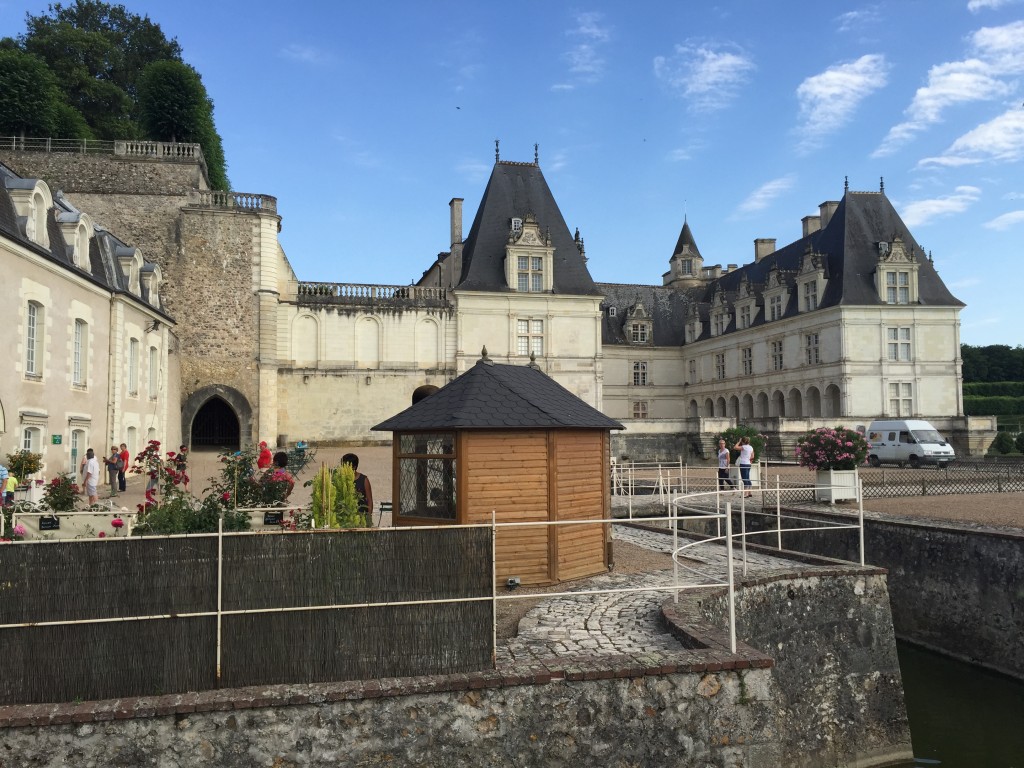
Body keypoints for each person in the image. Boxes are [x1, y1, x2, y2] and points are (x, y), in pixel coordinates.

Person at [342, 453, 373, 525]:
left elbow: (369, 500)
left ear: (354, 467)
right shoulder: (342, 480)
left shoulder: (364, 480)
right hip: (345, 518)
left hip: (361, 517)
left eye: (346, 467)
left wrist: (368, 517)